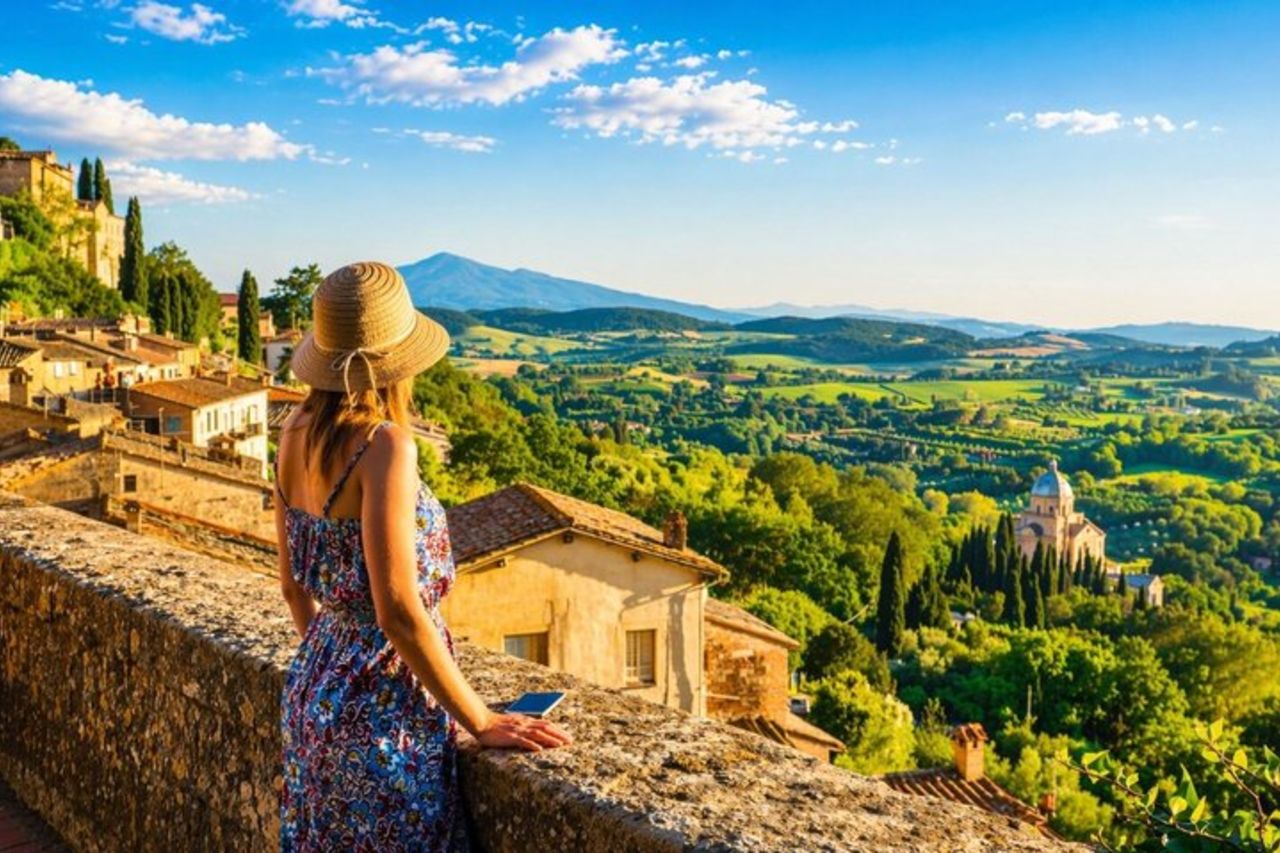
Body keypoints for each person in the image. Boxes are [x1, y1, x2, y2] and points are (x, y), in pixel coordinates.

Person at [274, 262, 571, 851]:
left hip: (311, 697)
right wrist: (480, 720)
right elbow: (399, 611)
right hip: (386, 720)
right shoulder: (385, 445)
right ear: (398, 364)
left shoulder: (291, 432)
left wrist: (335, 669)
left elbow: (292, 588)